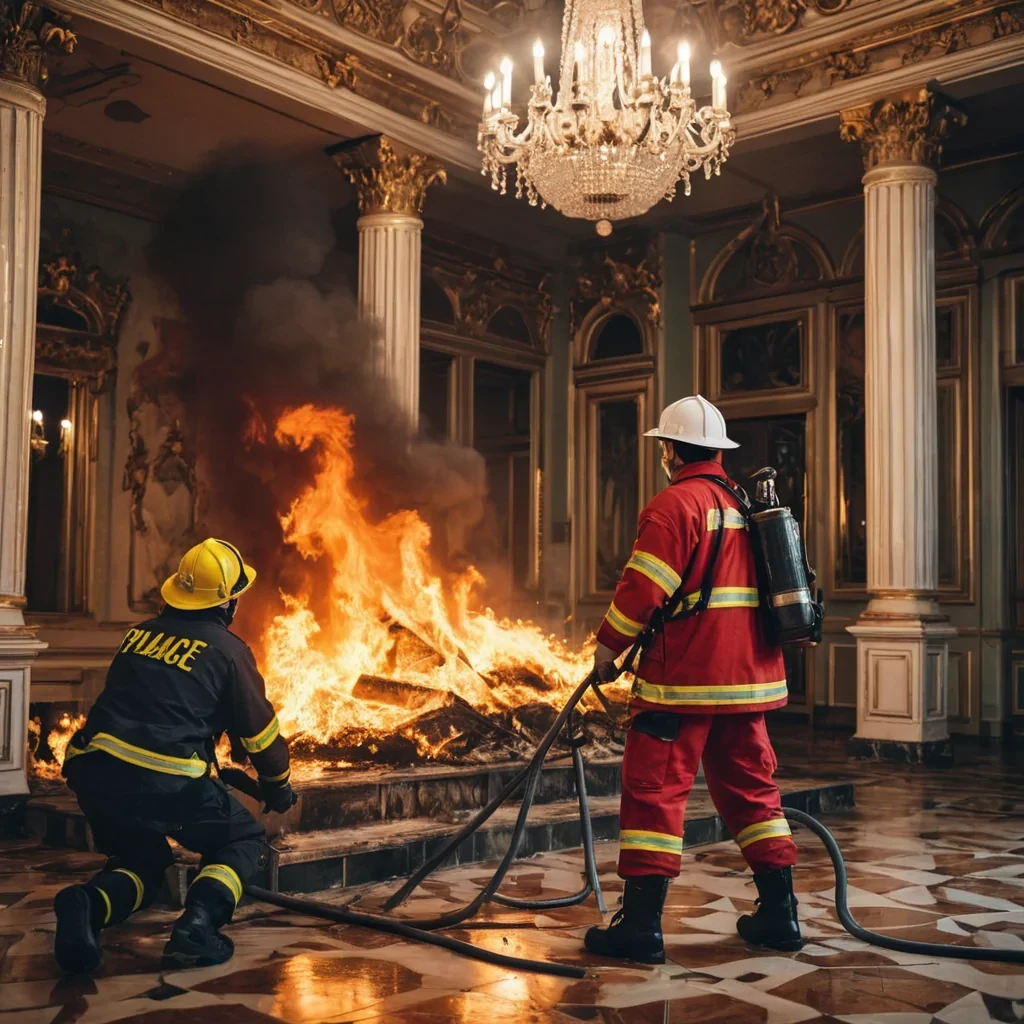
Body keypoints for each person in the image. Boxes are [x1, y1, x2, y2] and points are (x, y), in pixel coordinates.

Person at [584, 395, 801, 965]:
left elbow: (642, 590)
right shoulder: (743, 504)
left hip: (683, 683)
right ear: (717, 452)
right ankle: (781, 915)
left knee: (654, 794)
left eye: (665, 449)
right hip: (747, 682)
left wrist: (607, 650)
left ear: (672, 451)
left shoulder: (675, 505)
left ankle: (640, 927)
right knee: (753, 792)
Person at [53, 538, 296, 975]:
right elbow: (261, 737)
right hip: (167, 781)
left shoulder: (138, 635)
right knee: (241, 840)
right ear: (227, 602)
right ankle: (197, 928)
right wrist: (278, 788)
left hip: (96, 772)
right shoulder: (229, 651)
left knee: (142, 863)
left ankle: (87, 904)